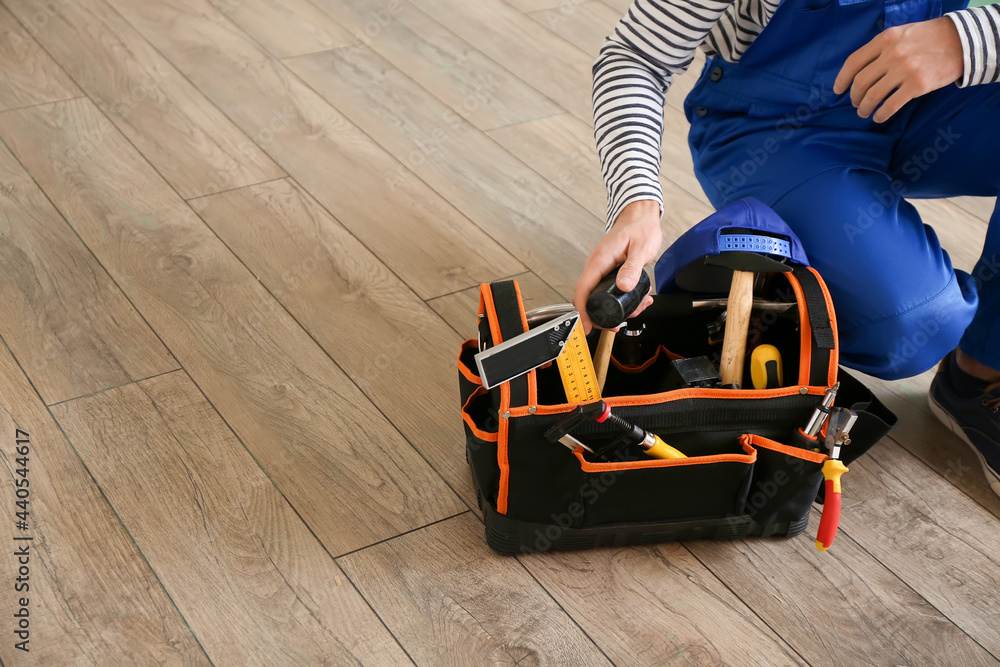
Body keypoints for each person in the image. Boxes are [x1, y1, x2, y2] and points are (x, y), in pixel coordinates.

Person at [572, 0, 1000, 495]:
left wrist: (965, 40)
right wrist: (636, 200)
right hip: (778, 126)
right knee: (919, 324)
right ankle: (766, 307)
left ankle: (981, 372)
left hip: (929, 96)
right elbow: (636, 55)